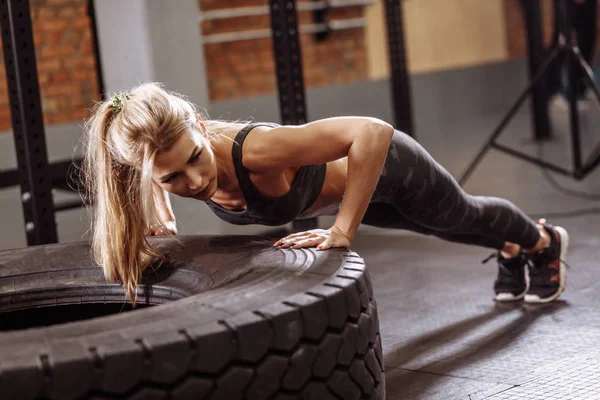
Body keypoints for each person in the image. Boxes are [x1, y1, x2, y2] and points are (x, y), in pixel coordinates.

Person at [82, 83, 569, 304]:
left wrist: (341, 230)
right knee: (435, 227)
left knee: (455, 214)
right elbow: (153, 172)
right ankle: (510, 248)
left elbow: (372, 132)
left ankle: (544, 243)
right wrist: (162, 210)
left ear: (201, 127)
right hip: (350, 193)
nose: (194, 181)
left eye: (195, 157)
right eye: (170, 179)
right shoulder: (159, 168)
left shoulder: (256, 151)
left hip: (389, 167)